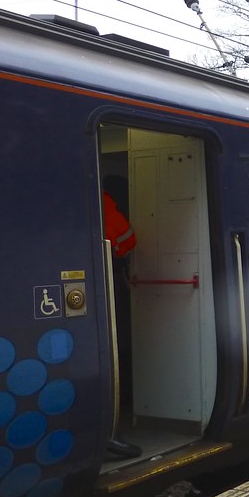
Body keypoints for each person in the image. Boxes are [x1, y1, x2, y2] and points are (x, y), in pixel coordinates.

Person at [102, 187, 142, 460]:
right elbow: (127, 239)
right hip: (106, 281)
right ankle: (108, 432)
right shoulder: (102, 199)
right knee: (111, 351)